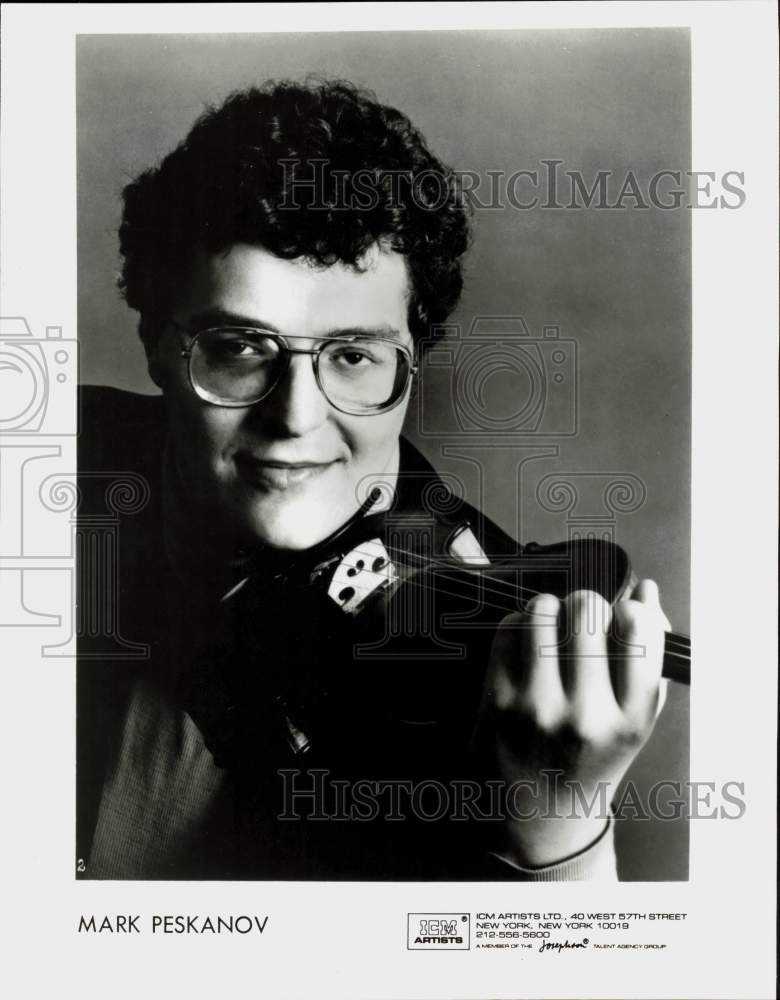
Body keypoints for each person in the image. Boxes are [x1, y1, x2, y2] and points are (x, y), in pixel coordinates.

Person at [77, 78, 668, 881]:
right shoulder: (60, 465)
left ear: (411, 364)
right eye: (239, 348)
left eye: (353, 356)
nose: (294, 417)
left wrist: (553, 832)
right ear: (156, 345)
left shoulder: (473, 661)